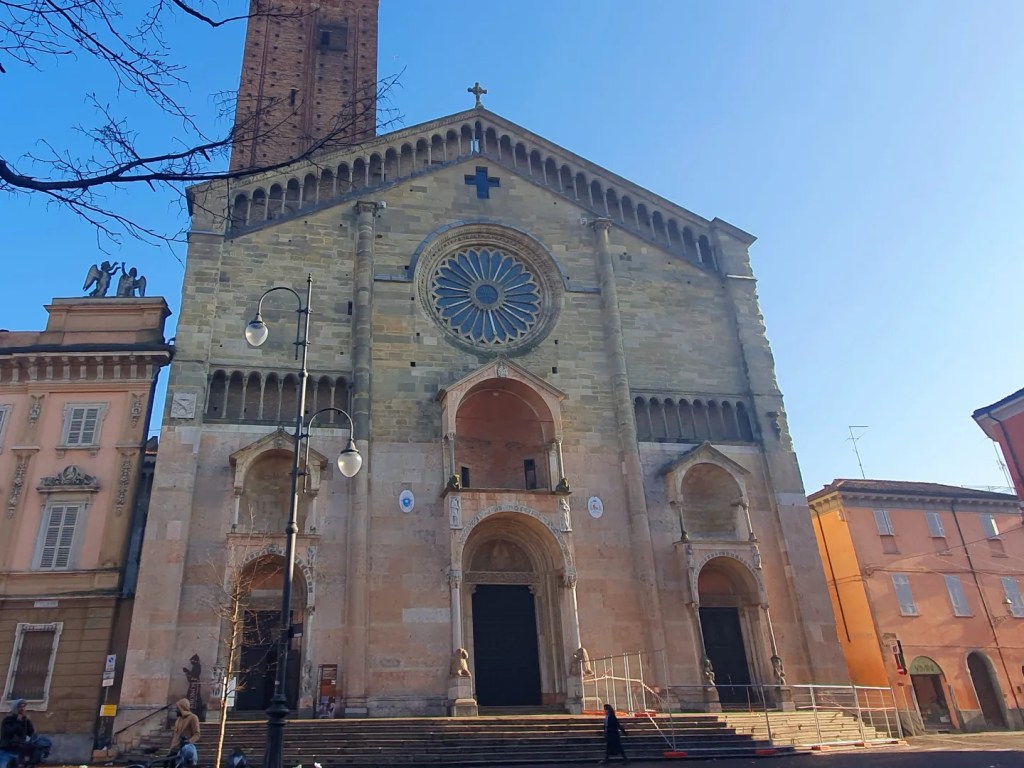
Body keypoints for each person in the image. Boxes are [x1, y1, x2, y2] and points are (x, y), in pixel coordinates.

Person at [1, 700, 35, 767]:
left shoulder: (25, 721)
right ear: (15, 708)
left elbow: (30, 732)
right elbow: (7, 733)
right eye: (20, 707)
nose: (22, 709)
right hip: (7, 749)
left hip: (20, 750)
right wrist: (18, 722)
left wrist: (27, 721)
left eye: (23, 707)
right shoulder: (8, 719)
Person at [169, 699, 200, 767]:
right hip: (174, 750)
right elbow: (175, 735)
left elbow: (197, 734)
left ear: (182, 708)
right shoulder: (178, 720)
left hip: (184, 751)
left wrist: (188, 742)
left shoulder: (193, 718)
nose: (176, 710)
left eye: (178, 708)